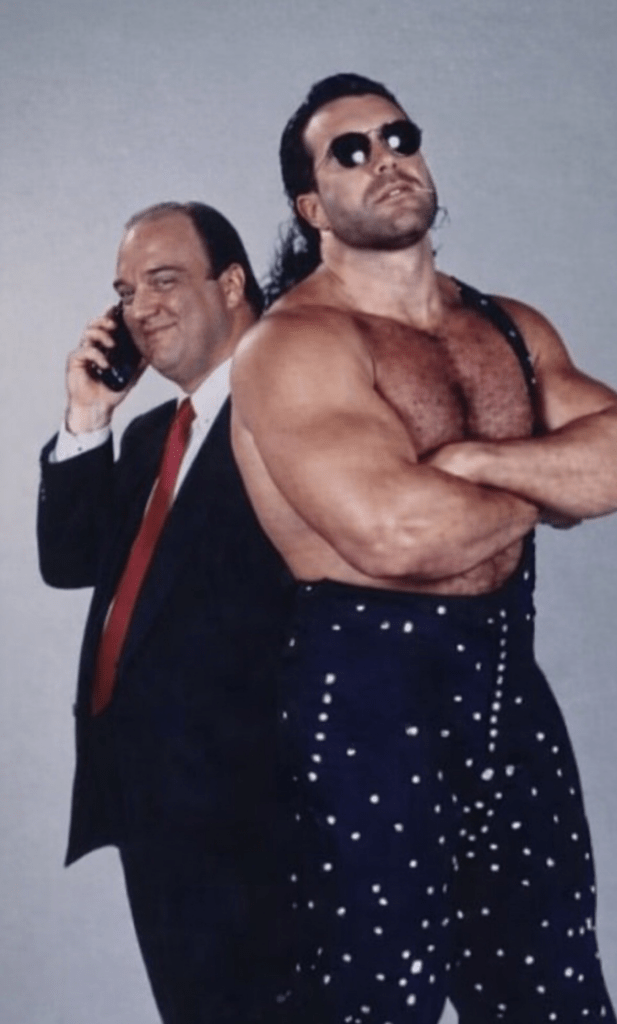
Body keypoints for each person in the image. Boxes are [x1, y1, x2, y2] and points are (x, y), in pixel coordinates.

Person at [230, 74, 617, 1024]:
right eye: (351, 151)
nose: (386, 160)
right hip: (363, 706)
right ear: (312, 208)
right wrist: (552, 482)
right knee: (378, 1001)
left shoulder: (507, 325)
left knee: (556, 991)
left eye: (399, 136)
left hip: (510, 693)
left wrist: (472, 461)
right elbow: (395, 532)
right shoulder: (293, 344)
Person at [37, 201, 297, 1024]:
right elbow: (69, 562)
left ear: (232, 284)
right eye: (125, 291)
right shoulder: (155, 434)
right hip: (149, 801)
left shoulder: (292, 407)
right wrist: (88, 418)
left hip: (254, 808)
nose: (139, 308)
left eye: (163, 280)